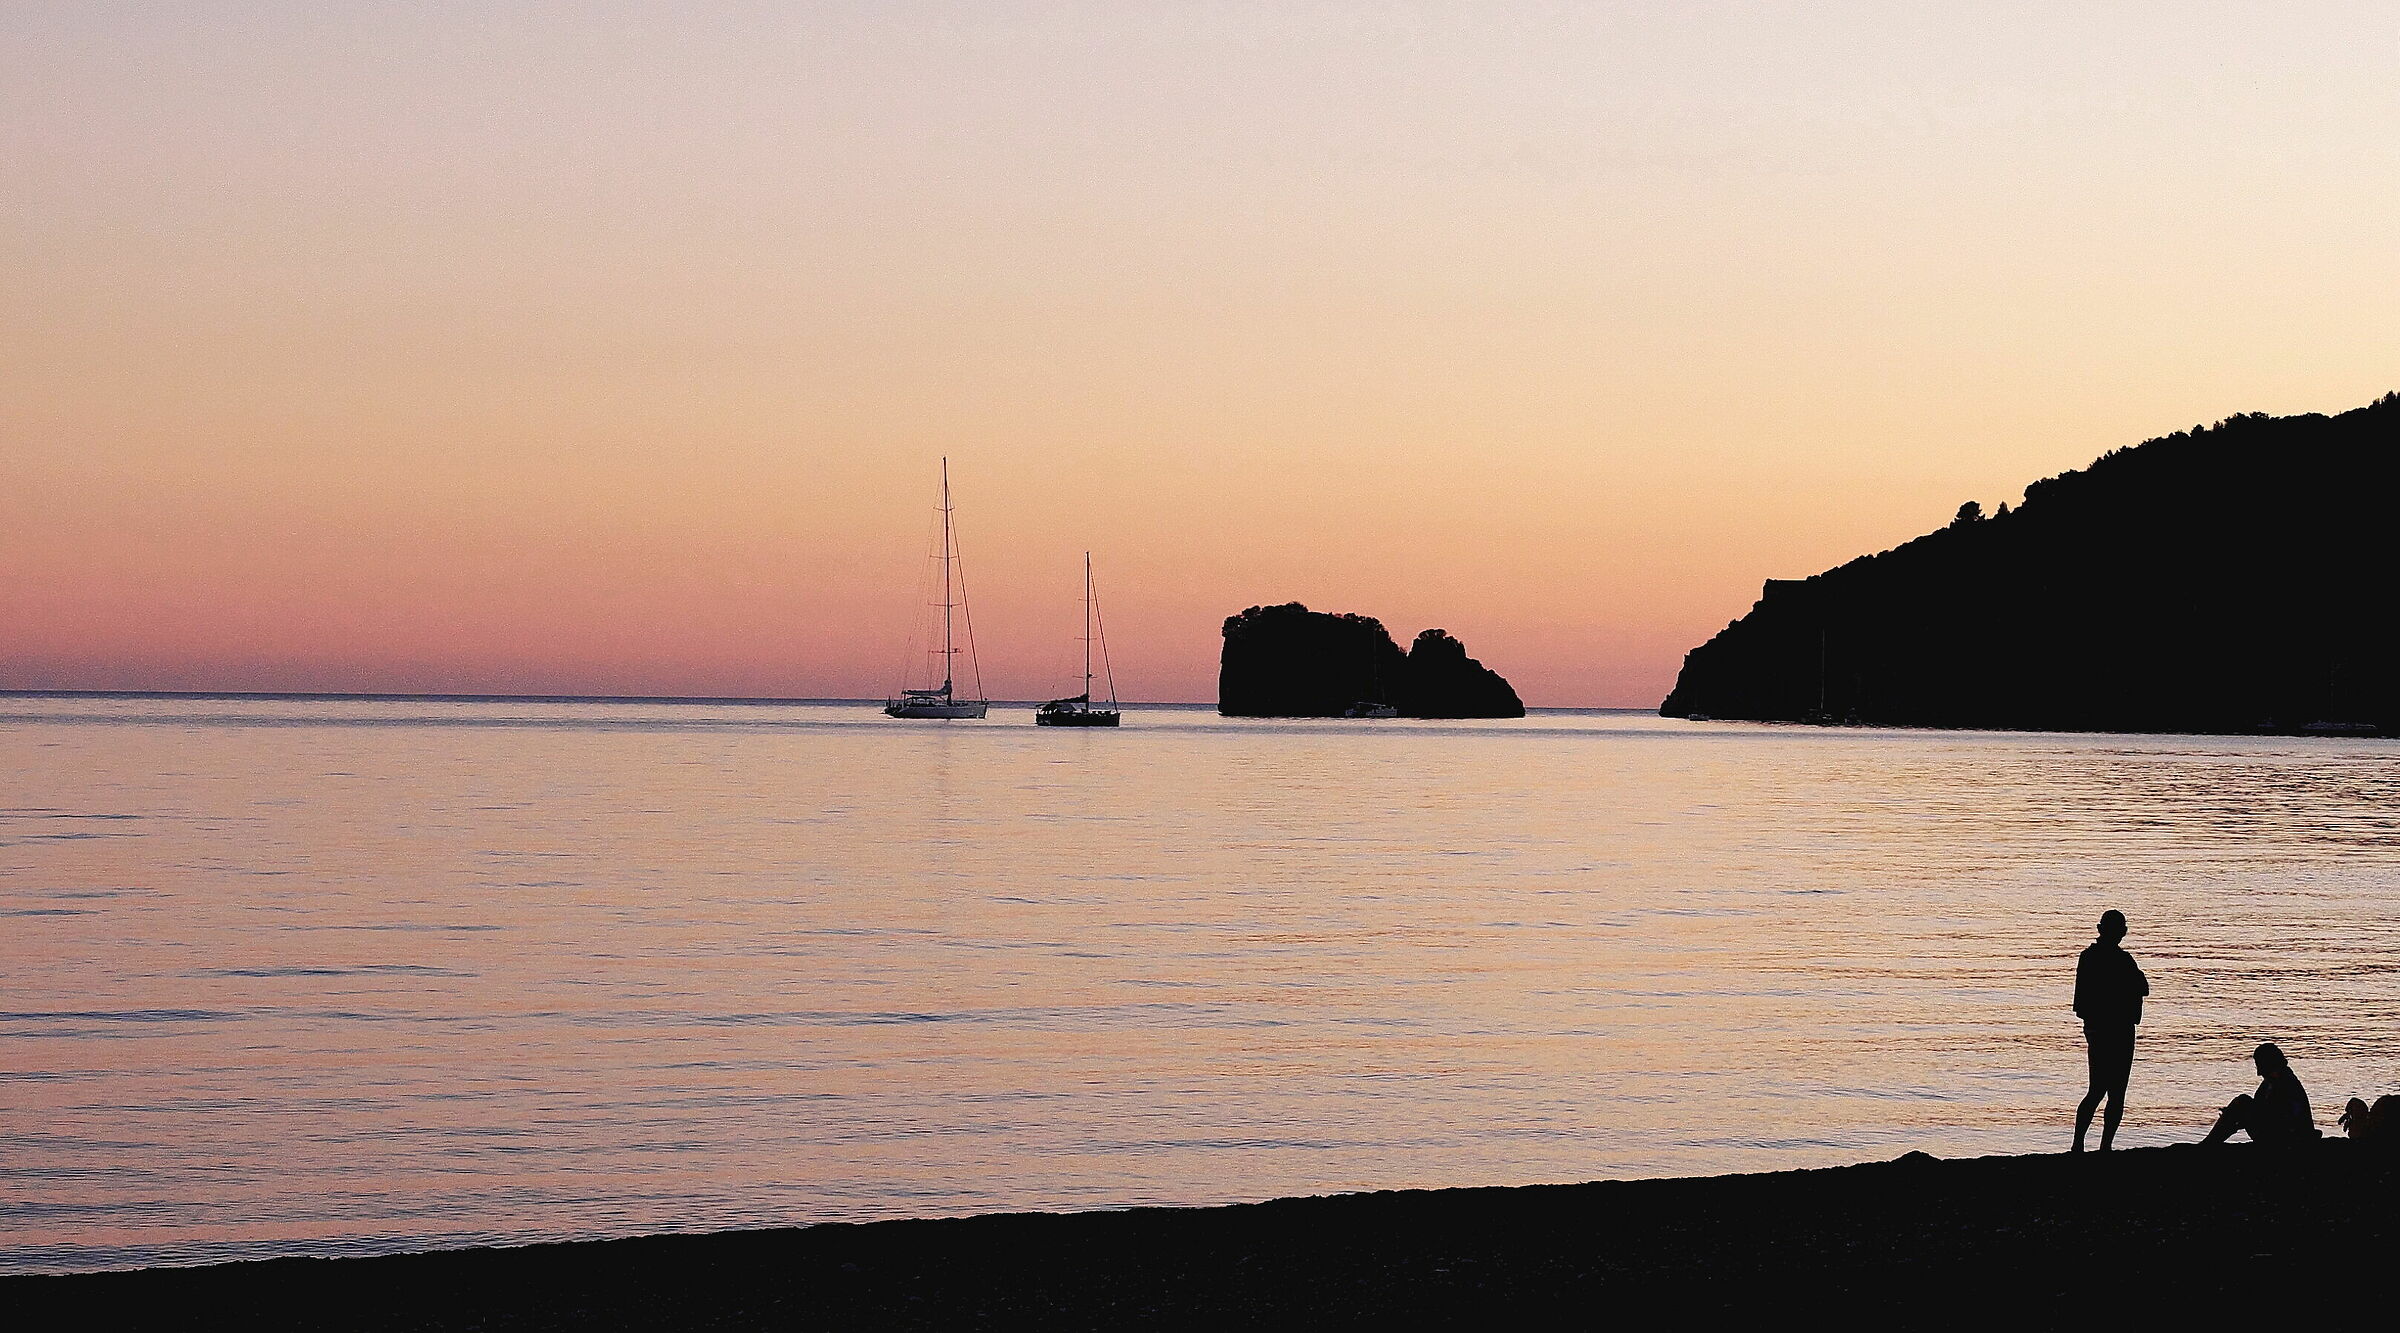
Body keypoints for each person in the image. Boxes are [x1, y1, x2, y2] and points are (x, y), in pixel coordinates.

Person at [2072, 909, 2148, 1152]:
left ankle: (2082, 1145)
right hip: (2115, 1030)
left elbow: (2080, 1003)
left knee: (2101, 1090)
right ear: (2122, 932)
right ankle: (2100, 1146)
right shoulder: (2123, 961)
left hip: (2101, 1029)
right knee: (2112, 1091)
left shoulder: (2089, 958)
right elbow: (2143, 987)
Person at [2199, 1042, 2318, 1144]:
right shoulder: (2270, 1083)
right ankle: (2210, 1143)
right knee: (2240, 1104)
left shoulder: (2288, 1085)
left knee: (2242, 1101)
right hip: (2278, 1133)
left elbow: (2289, 1118)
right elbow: (2259, 1109)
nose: (2259, 1073)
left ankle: (2208, 1144)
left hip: (2287, 1138)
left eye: (2260, 1066)